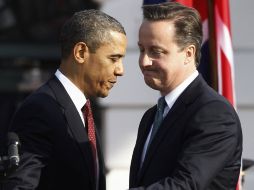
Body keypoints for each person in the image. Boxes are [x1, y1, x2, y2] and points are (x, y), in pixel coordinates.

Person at [5, 9, 127, 190]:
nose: (120, 70)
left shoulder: (84, 110)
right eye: (113, 59)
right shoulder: (41, 110)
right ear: (80, 52)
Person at [129, 2, 242, 190]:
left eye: (156, 51)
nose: (144, 61)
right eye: (142, 49)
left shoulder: (214, 114)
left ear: (188, 53)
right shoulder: (151, 116)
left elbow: (185, 185)